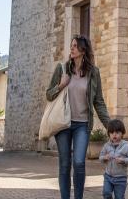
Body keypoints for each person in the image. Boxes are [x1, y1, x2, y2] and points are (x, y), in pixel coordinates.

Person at [46, 35, 110, 199]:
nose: (71, 48)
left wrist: (110, 126)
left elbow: (99, 101)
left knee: (79, 163)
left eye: (75, 46)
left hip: (82, 124)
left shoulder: (93, 73)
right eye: (71, 46)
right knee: (65, 164)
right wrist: (61, 85)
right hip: (63, 124)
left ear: (83, 50)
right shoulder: (62, 69)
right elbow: (48, 95)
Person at [99, 118, 128, 199]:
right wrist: (104, 158)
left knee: (119, 197)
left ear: (122, 133)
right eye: (112, 133)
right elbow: (100, 157)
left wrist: (124, 160)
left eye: (117, 132)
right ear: (109, 134)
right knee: (106, 193)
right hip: (108, 176)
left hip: (121, 178)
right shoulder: (106, 145)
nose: (114, 135)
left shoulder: (126, 146)